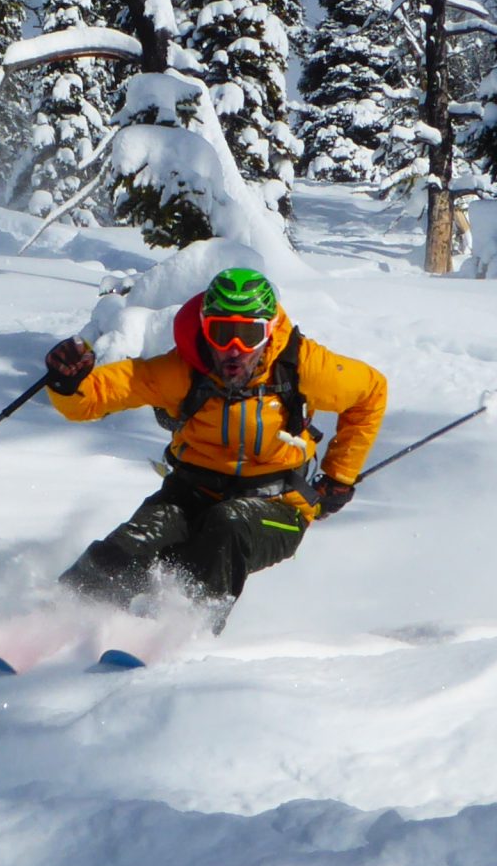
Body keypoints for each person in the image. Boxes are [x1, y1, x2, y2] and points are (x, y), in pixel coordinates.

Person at [41, 266, 387, 627]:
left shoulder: (303, 366)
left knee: (228, 526)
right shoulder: (184, 371)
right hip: (189, 495)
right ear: (205, 329)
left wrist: (339, 476)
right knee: (135, 541)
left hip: (278, 504)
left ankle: (183, 631)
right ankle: (56, 617)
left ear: (269, 332)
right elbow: (101, 394)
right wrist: (68, 384)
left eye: (248, 334)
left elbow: (370, 393)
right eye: (221, 333)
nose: (234, 350)